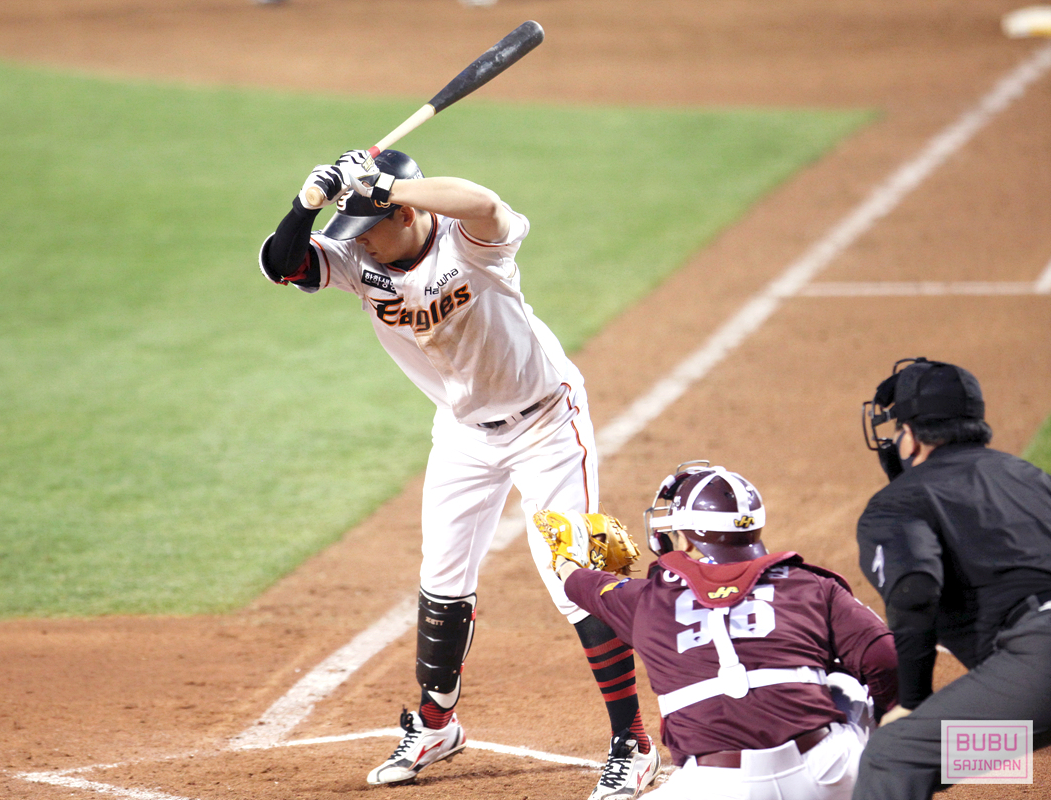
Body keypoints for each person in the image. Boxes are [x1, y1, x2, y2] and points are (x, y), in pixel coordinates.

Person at [258, 150, 655, 798]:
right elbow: (285, 264)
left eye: (369, 228)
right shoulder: (359, 258)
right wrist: (306, 203)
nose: (359, 245)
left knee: (578, 577)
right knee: (442, 582)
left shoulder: (470, 244)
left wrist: (388, 184)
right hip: (463, 432)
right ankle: (437, 725)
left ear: (404, 212)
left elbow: (486, 204)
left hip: (546, 423)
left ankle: (633, 743)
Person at [541, 462, 898, 800]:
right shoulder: (811, 585)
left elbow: (587, 587)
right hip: (826, 775)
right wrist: (889, 719)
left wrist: (567, 563)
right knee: (843, 683)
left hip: (715, 787)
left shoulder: (647, 600)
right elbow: (887, 659)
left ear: (688, 541)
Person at [852, 357, 1051, 799]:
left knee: (893, 754)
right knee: (981, 743)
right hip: (1036, 692)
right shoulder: (1033, 477)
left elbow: (914, 591)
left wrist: (912, 702)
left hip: (1041, 664)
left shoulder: (899, 500)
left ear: (911, 436)